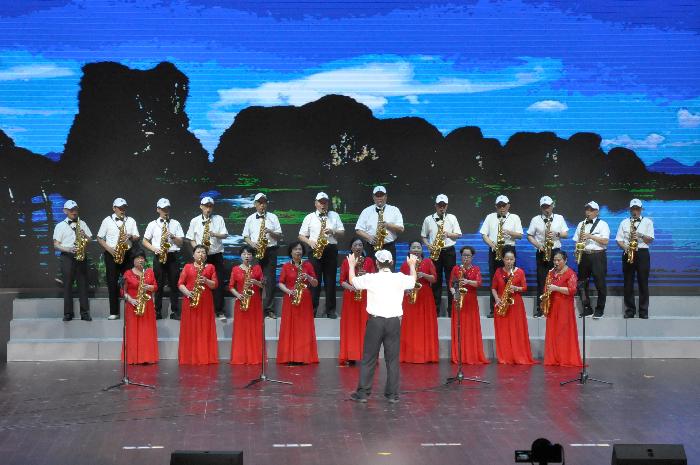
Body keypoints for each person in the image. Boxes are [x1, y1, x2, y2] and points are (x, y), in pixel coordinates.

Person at [348, 250, 417, 404]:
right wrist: (412, 265)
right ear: (391, 262)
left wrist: (351, 265)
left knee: (369, 358)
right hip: (393, 322)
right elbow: (413, 281)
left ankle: (363, 394)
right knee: (392, 359)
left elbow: (353, 281)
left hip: (375, 322)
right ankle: (392, 395)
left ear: (376, 263)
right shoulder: (399, 277)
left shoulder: (371, 278)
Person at [298, 192, 345, 319]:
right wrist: (310, 242)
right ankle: (312, 310)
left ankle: (330, 310)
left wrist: (333, 231)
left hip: (330, 249)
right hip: (315, 249)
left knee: (330, 281)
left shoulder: (334, 215)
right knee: (314, 281)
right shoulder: (309, 217)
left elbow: (342, 232)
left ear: (328, 203)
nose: (323, 205)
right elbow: (301, 235)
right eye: (320, 202)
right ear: (316, 203)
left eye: (325, 202)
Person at [276, 241, 319, 365]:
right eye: (295, 249)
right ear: (291, 252)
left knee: (303, 328)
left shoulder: (307, 265)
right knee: (289, 328)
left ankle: (303, 356)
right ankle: (289, 356)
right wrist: (289, 291)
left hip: (304, 300)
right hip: (290, 298)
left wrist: (309, 277)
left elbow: (315, 283)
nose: (298, 251)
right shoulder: (286, 266)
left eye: (300, 249)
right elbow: (280, 283)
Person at [480, 195, 523, 317]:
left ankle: (510, 307)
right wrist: (492, 245)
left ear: (508, 205)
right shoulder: (490, 217)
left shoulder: (514, 217)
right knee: (494, 278)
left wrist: (508, 232)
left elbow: (520, 235)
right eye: (499, 205)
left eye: (504, 205)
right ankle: (494, 308)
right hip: (495, 248)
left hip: (509, 249)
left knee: (511, 277)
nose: (502, 208)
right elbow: (484, 235)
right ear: (496, 206)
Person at [186, 196, 228, 321]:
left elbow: (225, 235)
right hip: (201, 256)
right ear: (201, 206)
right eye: (206, 206)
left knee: (218, 283)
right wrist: (198, 251)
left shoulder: (219, 219)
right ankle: (200, 308)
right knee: (199, 282)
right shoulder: (194, 221)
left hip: (216, 255)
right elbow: (191, 238)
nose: (208, 209)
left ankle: (219, 310)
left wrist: (214, 234)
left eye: (210, 206)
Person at [526, 195, 569, 318]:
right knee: (542, 280)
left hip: (556, 252)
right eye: (544, 207)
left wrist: (557, 233)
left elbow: (566, 234)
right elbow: (529, 236)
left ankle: (556, 306)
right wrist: (539, 245)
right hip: (542, 251)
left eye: (548, 206)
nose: (546, 209)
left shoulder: (559, 218)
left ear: (552, 206)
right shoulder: (535, 219)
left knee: (558, 280)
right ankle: (541, 308)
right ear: (541, 207)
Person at [97, 198, 139, 320]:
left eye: (124, 207)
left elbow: (137, 236)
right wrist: (109, 249)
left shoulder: (130, 220)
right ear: (114, 208)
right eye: (120, 208)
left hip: (127, 254)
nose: (122, 210)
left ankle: (133, 309)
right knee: (112, 282)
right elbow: (99, 238)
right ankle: (114, 312)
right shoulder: (107, 220)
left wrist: (131, 236)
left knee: (130, 281)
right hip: (111, 254)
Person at [243, 193, 284, 319]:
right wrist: (253, 244)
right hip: (256, 250)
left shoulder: (273, 217)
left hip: (270, 250)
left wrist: (270, 231)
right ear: (255, 204)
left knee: (270, 280)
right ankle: (254, 306)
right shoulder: (250, 218)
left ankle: (269, 309)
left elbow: (280, 236)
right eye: (260, 203)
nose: (262, 205)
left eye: (264, 203)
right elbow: (245, 236)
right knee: (254, 278)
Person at [491, 249, 536, 365]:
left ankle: (518, 355)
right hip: (502, 303)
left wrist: (516, 288)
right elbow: (493, 288)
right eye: (507, 259)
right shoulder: (498, 271)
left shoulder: (519, 272)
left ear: (515, 259)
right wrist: (497, 299)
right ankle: (506, 356)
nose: (509, 261)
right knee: (503, 332)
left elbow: (524, 288)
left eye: (511, 259)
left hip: (516, 305)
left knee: (516, 331)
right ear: (503, 259)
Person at [142, 198, 185, 320]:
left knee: (174, 284)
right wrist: (155, 249)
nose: (166, 211)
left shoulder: (175, 223)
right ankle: (157, 311)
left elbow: (181, 242)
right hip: (159, 255)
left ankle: (175, 311)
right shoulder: (152, 224)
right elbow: (144, 241)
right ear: (158, 209)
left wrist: (173, 236)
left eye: (167, 208)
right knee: (158, 285)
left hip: (172, 256)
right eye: (163, 209)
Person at [421, 194, 462, 316]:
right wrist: (428, 245)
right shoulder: (428, 219)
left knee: (451, 280)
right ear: (435, 205)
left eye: (444, 205)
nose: (442, 207)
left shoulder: (452, 218)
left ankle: (451, 310)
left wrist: (448, 234)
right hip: (435, 251)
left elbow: (459, 235)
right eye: (440, 205)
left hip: (449, 251)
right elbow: (423, 236)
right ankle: (435, 310)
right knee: (435, 280)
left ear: (447, 206)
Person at [177, 244, 219, 365]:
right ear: (193, 254)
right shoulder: (187, 267)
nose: (201, 254)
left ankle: (204, 356)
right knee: (190, 328)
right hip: (190, 299)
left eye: (203, 252)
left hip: (205, 301)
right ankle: (189, 357)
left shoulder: (210, 267)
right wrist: (188, 293)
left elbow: (215, 285)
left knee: (205, 327)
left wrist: (205, 280)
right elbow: (180, 283)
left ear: (206, 256)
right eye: (199, 252)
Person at [339, 237, 377, 365]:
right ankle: (351, 355)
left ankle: (367, 356)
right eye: (355, 245)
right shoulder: (346, 261)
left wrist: (366, 276)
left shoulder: (369, 261)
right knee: (351, 326)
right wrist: (352, 288)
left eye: (360, 245)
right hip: (351, 297)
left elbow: (374, 279)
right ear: (351, 248)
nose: (358, 247)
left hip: (365, 297)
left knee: (367, 327)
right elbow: (342, 281)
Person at [53, 200, 93, 321]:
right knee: (67, 285)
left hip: (81, 256)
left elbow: (90, 239)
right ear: (65, 211)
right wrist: (68, 249)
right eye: (71, 210)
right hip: (67, 257)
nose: (74, 212)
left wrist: (85, 235)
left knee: (83, 285)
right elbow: (56, 244)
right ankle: (68, 313)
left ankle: (84, 312)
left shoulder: (83, 223)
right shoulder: (60, 226)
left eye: (75, 209)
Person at [399, 240, 439, 363]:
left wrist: (423, 275)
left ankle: (427, 355)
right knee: (411, 325)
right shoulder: (405, 264)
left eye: (418, 247)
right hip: (410, 297)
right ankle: (410, 355)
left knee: (425, 325)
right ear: (409, 250)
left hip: (425, 296)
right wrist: (406, 289)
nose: (416, 249)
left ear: (422, 250)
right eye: (414, 247)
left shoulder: (428, 262)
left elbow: (434, 279)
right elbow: (400, 281)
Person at [448, 246, 488, 364]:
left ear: (472, 257)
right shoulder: (456, 268)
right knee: (459, 327)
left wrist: (468, 281)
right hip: (458, 299)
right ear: (461, 256)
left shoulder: (476, 269)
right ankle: (459, 355)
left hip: (470, 301)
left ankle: (471, 354)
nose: (466, 257)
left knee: (471, 328)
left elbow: (479, 283)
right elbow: (451, 284)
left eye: (468, 255)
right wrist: (454, 293)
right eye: (464, 255)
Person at [615, 199, 654, 319]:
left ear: (641, 209)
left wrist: (640, 235)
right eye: (633, 209)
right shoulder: (624, 222)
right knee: (628, 282)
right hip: (628, 251)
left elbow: (650, 240)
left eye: (637, 209)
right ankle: (630, 310)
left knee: (643, 282)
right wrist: (625, 247)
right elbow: (619, 240)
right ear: (630, 209)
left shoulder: (647, 222)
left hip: (642, 253)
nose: (635, 211)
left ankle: (643, 311)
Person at [543, 251, 583, 367]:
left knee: (563, 332)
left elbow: (572, 290)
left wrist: (556, 288)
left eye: (559, 260)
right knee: (553, 332)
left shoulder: (570, 273)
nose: (556, 262)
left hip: (564, 306)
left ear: (565, 260)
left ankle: (565, 358)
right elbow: (547, 287)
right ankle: (554, 358)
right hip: (553, 305)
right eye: (554, 260)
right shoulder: (551, 272)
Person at [573, 201, 610, 319]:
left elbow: (605, 241)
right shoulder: (581, 224)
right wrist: (577, 252)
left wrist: (590, 236)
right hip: (584, 255)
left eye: (591, 210)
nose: (588, 212)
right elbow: (576, 241)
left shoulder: (603, 224)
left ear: (597, 212)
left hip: (598, 255)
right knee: (582, 284)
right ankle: (587, 308)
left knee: (600, 283)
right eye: (587, 209)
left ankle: (600, 309)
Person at [121, 249, 159, 364]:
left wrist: (149, 287)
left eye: (142, 258)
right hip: (133, 304)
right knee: (133, 332)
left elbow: (155, 287)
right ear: (133, 260)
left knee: (146, 332)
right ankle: (134, 358)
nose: (140, 260)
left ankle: (147, 357)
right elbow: (122, 291)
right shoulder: (128, 273)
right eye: (138, 258)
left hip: (147, 305)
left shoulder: (149, 272)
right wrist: (131, 300)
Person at [229, 245, 264, 365]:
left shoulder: (257, 268)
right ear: (240, 256)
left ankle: (254, 356)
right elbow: (231, 286)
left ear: (252, 256)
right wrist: (238, 295)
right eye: (244, 254)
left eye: (249, 254)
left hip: (255, 302)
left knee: (255, 328)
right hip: (241, 300)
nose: (247, 256)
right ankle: (241, 357)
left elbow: (263, 285)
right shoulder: (235, 269)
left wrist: (255, 282)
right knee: (241, 329)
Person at [355, 185, 404, 270]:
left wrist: (387, 225)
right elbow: (358, 229)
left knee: (389, 273)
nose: (379, 198)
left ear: (386, 196)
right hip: (372, 247)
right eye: (377, 195)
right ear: (373, 197)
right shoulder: (366, 211)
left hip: (388, 247)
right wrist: (369, 237)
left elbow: (401, 229)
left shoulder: (394, 210)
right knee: (371, 272)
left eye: (381, 195)